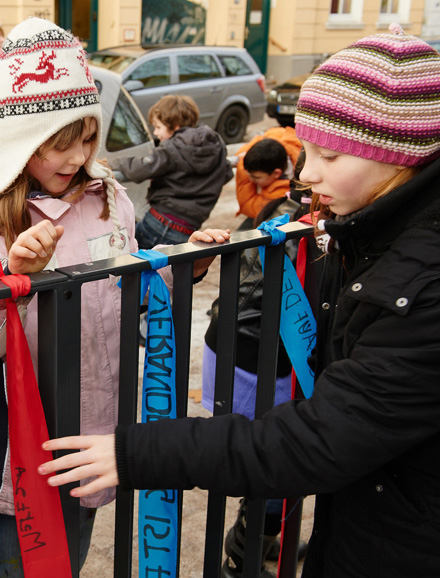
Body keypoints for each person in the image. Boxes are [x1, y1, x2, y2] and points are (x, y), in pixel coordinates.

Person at [39, 26, 440, 578]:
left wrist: (143, 453)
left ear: (399, 156)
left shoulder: (422, 282)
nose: (308, 174)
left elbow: (321, 438)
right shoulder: (375, 228)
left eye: (331, 154)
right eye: (307, 147)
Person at [0, 18, 229, 578]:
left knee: (69, 561)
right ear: (17, 138)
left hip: (89, 437)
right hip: (12, 455)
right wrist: (12, 282)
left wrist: (184, 267)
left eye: (86, 138)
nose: (77, 158)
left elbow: (126, 297)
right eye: (57, 144)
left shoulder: (106, 198)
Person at [202, 155, 312, 577]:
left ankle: (262, 540)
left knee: (282, 455)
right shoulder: (299, 224)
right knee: (272, 458)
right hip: (251, 353)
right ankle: (240, 557)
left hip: (268, 351)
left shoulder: (291, 208)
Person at [115, 94, 233, 248]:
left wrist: (113, 164)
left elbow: (141, 168)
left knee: (128, 259)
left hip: (160, 223)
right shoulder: (217, 146)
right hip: (187, 229)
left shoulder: (172, 148)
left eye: (158, 127)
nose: (156, 133)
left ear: (175, 125)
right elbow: (227, 173)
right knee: (169, 270)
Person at [234, 126, 301, 223]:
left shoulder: (284, 191)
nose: (251, 179)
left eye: (256, 177)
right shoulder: (278, 140)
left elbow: (248, 206)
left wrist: (241, 166)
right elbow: (257, 142)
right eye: (248, 174)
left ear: (276, 173)